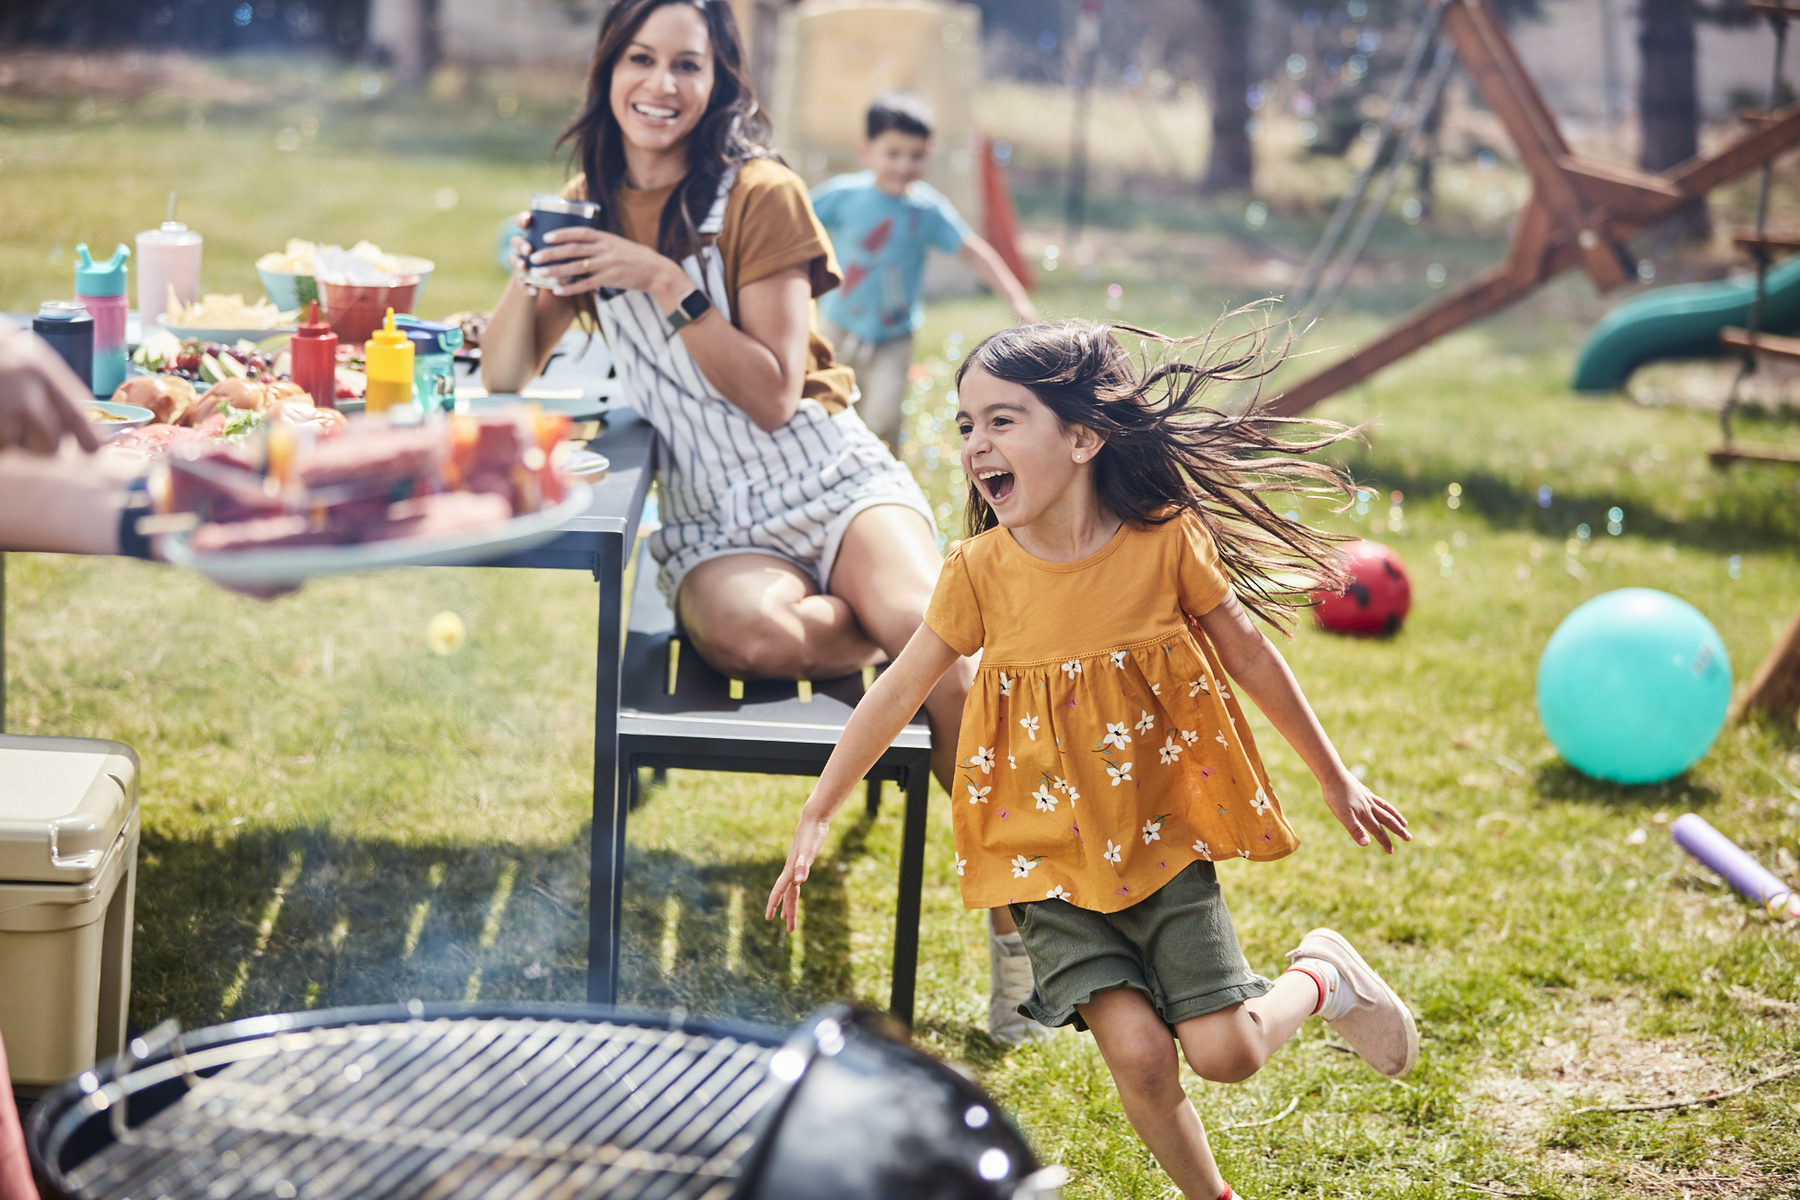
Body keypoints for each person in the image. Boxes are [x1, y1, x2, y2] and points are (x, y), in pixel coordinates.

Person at [481, 0, 1046, 1040]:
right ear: (609, 71)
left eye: (686, 64)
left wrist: (663, 282)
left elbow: (775, 394)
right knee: (753, 636)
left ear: (719, 81)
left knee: (952, 663)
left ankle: (1024, 951)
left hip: (823, 476)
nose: (661, 84)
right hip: (715, 510)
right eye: (640, 60)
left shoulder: (761, 196)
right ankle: (882, 631)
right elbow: (507, 374)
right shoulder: (583, 207)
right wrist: (531, 272)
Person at [767, 320, 1419, 1199]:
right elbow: (894, 691)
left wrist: (1336, 778)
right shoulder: (978, 572)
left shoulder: (1165, 543)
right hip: (1040, 858)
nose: (976, 445)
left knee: (1225, 1055)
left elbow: (1252, 658)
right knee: (1143, 1057)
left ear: (1083, 436)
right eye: (965, 425)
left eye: (1002, 420)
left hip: (1157, 841)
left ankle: (1323, 976)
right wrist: (818, 808)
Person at [811, 91, 1038, 451]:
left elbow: (972, 251)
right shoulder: (844, 195)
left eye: (915, 155)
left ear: (929, 152)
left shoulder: (927, 210)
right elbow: (795, 220)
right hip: (837, 329)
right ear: (866, 150)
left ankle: (881, 483)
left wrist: (1015, 296)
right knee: (826, 411)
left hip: (894, 337)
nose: (904, 165)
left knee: (883, 418)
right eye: (893, 154)